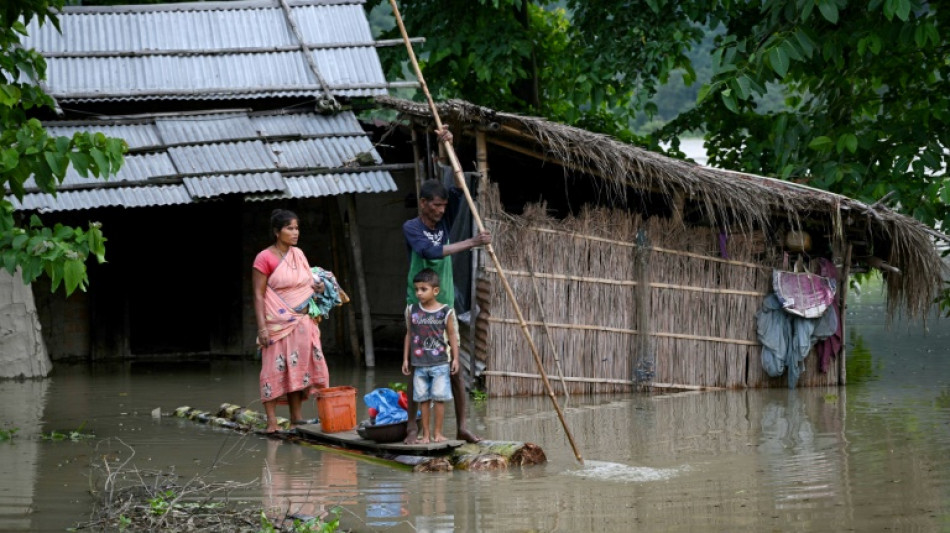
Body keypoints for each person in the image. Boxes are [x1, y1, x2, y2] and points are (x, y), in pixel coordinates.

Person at [402, 142, 492, 443]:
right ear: (423, 203)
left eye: (443, 205)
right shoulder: (412, 227)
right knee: (417, 365)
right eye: (436, 205)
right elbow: (430, 252)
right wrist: (472, 242)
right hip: (418, 305)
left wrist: (448, 143)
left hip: (445, 305)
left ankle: (462, 426)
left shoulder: (446, 220)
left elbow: (459, 184)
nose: (441, 210)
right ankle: (412, 427)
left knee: (454, 366)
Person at [253, 208, 329, 433]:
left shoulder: (299, 254)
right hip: (276, 323)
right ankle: (272, 422)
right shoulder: (264, 258)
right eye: (290, 228)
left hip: (302, 321)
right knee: (272, 369)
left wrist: (319, 287)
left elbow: (307, 282)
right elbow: (258, 294)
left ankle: (296, 418)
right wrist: (262, 328)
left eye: (297, 228)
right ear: (277, 232)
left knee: (296, 367)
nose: (295, 232)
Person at [402, 268, 460, 444]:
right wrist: (405, 359)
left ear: (435, 290)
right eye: (416, 289)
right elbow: (409, 334)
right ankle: (426, 435)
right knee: (423, 400)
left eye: (423, 289)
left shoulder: (445, 311)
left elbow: (452, 335)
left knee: (439, 399)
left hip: (440, 362)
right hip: (419, 364)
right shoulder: (412, 310)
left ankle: (438, 434)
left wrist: (455, 358)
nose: (419, 293)